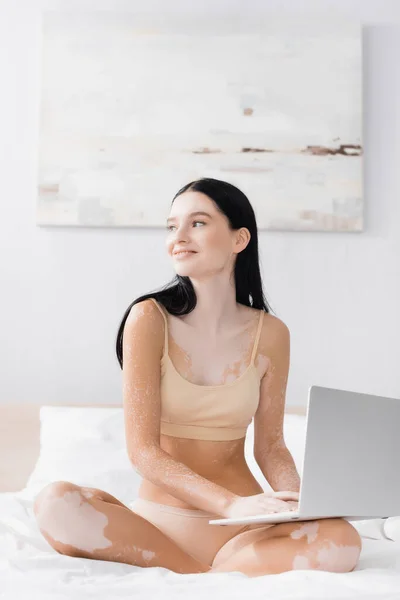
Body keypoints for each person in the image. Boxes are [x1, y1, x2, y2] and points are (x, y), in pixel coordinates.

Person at [33, 177, 362, 577]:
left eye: (198, 223)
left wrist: (299, 503)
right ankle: (204, 576)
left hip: (243, 529)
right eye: (172, 226)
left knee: (343, 539)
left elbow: (271, 447)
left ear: (239, 239)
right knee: (54, 503)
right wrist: (228, 504)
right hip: (158, 525)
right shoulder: (149, 318)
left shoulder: (272, 333)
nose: (179, 237)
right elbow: (143, 452)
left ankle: (205, 575)